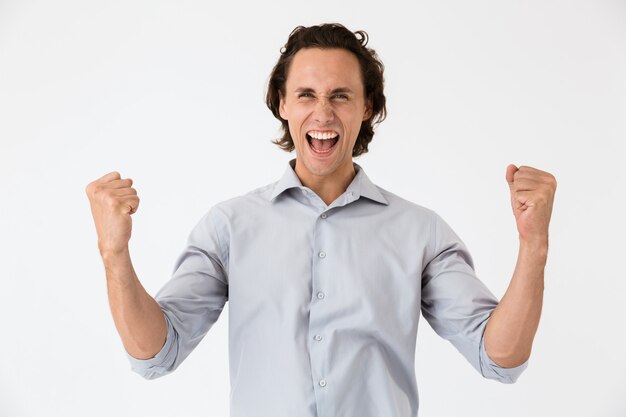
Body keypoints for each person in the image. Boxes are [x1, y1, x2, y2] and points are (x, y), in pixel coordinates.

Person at [85, 23, 557, 417]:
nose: (323, 113)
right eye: (306, 94)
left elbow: (499, 358)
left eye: (341, 95)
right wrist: (114, 255)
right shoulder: (229, 225)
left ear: (367, 106)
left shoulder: (421, 232)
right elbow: (155, 354)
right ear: (282, 104)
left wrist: (533, 246)